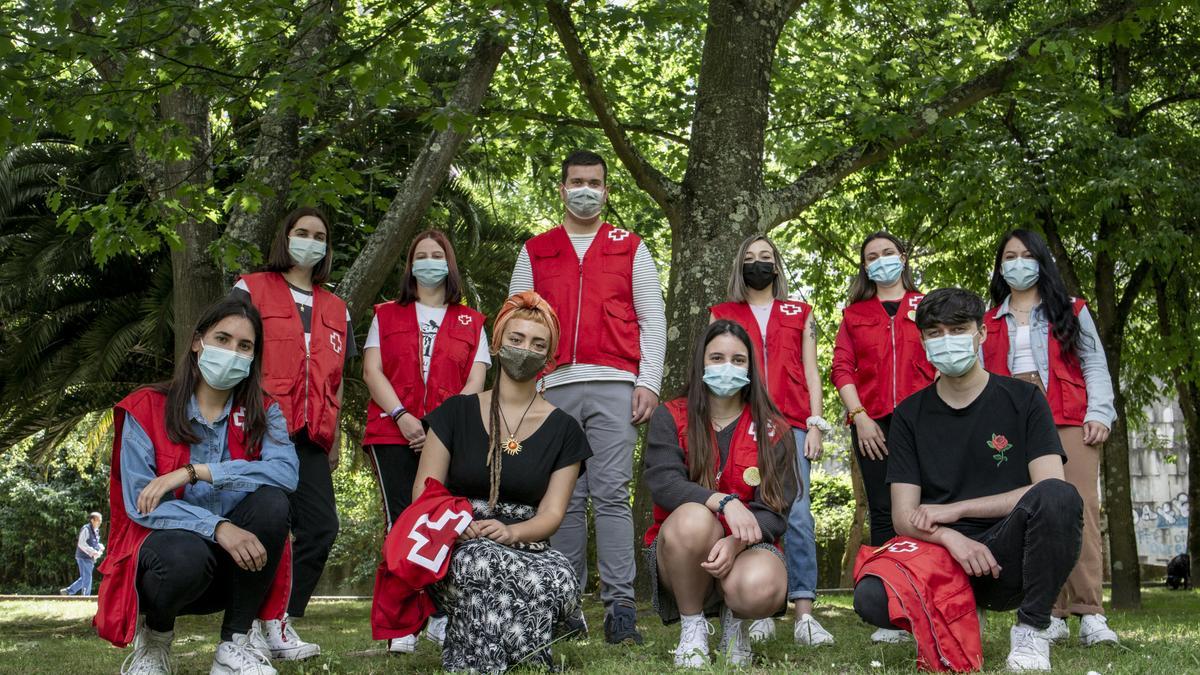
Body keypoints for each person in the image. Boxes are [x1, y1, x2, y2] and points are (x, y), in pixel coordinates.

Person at [851, 287, 1084, 672]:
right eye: (935, 333)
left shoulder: (1024, 399)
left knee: (1061, 497)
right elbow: (903, 516)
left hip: (1010, 552)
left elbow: (1048, 486)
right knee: (871, 597)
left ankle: (1031, 628)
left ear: (981, 333)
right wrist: (950, 537)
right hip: (941, 553)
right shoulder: (908, 415)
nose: (947, 341)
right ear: (923, 340)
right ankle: (957, 608)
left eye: (958, 329)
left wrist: (955, 511)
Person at [508, 150, 666, 644]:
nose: (585, 190)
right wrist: (521, 389)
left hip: (615, 382)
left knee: (612, 494)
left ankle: (621, 608)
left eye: (594, 183)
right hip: (552, 387)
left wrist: (649, 382)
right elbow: (514, 322)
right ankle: (565, 606)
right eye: (576, 181)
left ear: (606, 190)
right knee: (564, 499)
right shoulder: (536, 249)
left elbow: (652, 319)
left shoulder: (630, 246)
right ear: (561, 188)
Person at [96, 298, 299, 675]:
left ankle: (233, 645)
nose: (232, 352)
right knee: (185, 553)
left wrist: (196, 471)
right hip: (170, 565)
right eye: (222, 338)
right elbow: (141, 504)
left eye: (244, 346)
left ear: (254, 357)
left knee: (273, 504)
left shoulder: (264, 411)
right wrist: (219, 527)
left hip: (237, 569)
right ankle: (155, 642)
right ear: (196, 342)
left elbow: (286, 474)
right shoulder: (146, 407)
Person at [412, 291, 592, 672]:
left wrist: (512, 534)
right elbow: (424, 495)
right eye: (517, 339)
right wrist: (464, 527)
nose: (525, 349)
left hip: (530, 542)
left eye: (537, 344)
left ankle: (491, 647)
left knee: (558, 578)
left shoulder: (566, 431)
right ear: (496, 344)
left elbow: (553, 513)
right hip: (460, 538)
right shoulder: (454, 414)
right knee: (483, 563)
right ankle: (506, 660)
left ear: (549, 357)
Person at [983, 229, 1118, 646]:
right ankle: (1050, 611)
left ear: (1041, 261)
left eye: (1026, 255)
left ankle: (1090, 612)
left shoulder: (1073, 310)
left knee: (1082, 510)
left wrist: (1100, 413)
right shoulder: (986, 321)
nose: (1018, 263)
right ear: (1000, 266)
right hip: (1013, 423)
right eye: (1009, 256)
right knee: (1032, 515)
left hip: (1069, 416)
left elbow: (1094, 364)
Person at [231, 207, 355, 660]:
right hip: (260, 429)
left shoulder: (338, 308)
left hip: (311, 436)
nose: (310, 241)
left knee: (321, 528)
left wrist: (335, 434)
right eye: (301, 232)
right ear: (285, 238)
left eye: (319, 235)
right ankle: (244, 628)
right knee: (266, 525)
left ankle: (280, 620)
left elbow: (337, 377)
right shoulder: (252, 287)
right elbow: (231, 348)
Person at [643, 320, 798, 668]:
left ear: (751, 368)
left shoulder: (776, 429)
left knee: (759, 586)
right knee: (694, 518)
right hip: (684, 551)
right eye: (716, 357)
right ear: (701, 363)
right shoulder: (671, 415)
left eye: (738, 360)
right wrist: (724, 503)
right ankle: (693, 628)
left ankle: (736, 626)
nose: (727, 367)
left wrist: (736, 542)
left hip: (748, 549)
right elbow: (665, 482)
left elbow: (776, 511)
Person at [362, 230, 490, 654]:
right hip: (391, 431)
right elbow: (372, 371)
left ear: (449, 264)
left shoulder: (473, 321)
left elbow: (475, 380)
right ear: (410, 264)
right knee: (402, 524)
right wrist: (402, 417)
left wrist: (438, 427)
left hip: (449, 438)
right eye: (422, 255)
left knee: (444, 524)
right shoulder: (385, 314)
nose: (430, 261)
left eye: (438, 255)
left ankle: (439, 615)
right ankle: (400, 624)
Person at [708, 235, 833, 646]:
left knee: (797, 513)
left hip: (793, 423)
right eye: (749, 258)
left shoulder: (800, 312)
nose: (757, 263)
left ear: (777, 266)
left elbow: (812, 371)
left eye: (765, 257)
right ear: (738, 266)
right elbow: (711, 365)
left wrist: (815, 423)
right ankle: (760, 609)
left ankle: (804, 613)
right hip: (742, 420)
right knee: (747, 507)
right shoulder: (721, 313)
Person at [830, 231, 934, 644]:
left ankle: (932, 601)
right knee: (883, 513)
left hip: (924, 422)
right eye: (872, 256)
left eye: (888, 252)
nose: (881, 261)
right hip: (873, 425)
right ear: (865, 267)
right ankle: (893, 610)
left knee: (927, 510)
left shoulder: (926, 305)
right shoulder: (854, 314)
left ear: (903, 257)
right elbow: (842, 368)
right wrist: (860, 416)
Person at [60, 512, 105, 596]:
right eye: (98, 520)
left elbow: (93, 543)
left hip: (90, 557)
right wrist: (93, 551)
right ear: (92, 520)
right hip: (83, 557)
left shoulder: (96, 530)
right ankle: (85, 597)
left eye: (100, 521)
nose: (100, 522)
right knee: (87, 577)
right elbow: (81, 543)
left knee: (85, 577)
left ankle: (68, 591)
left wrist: (100, 546)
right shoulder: (86, 529)